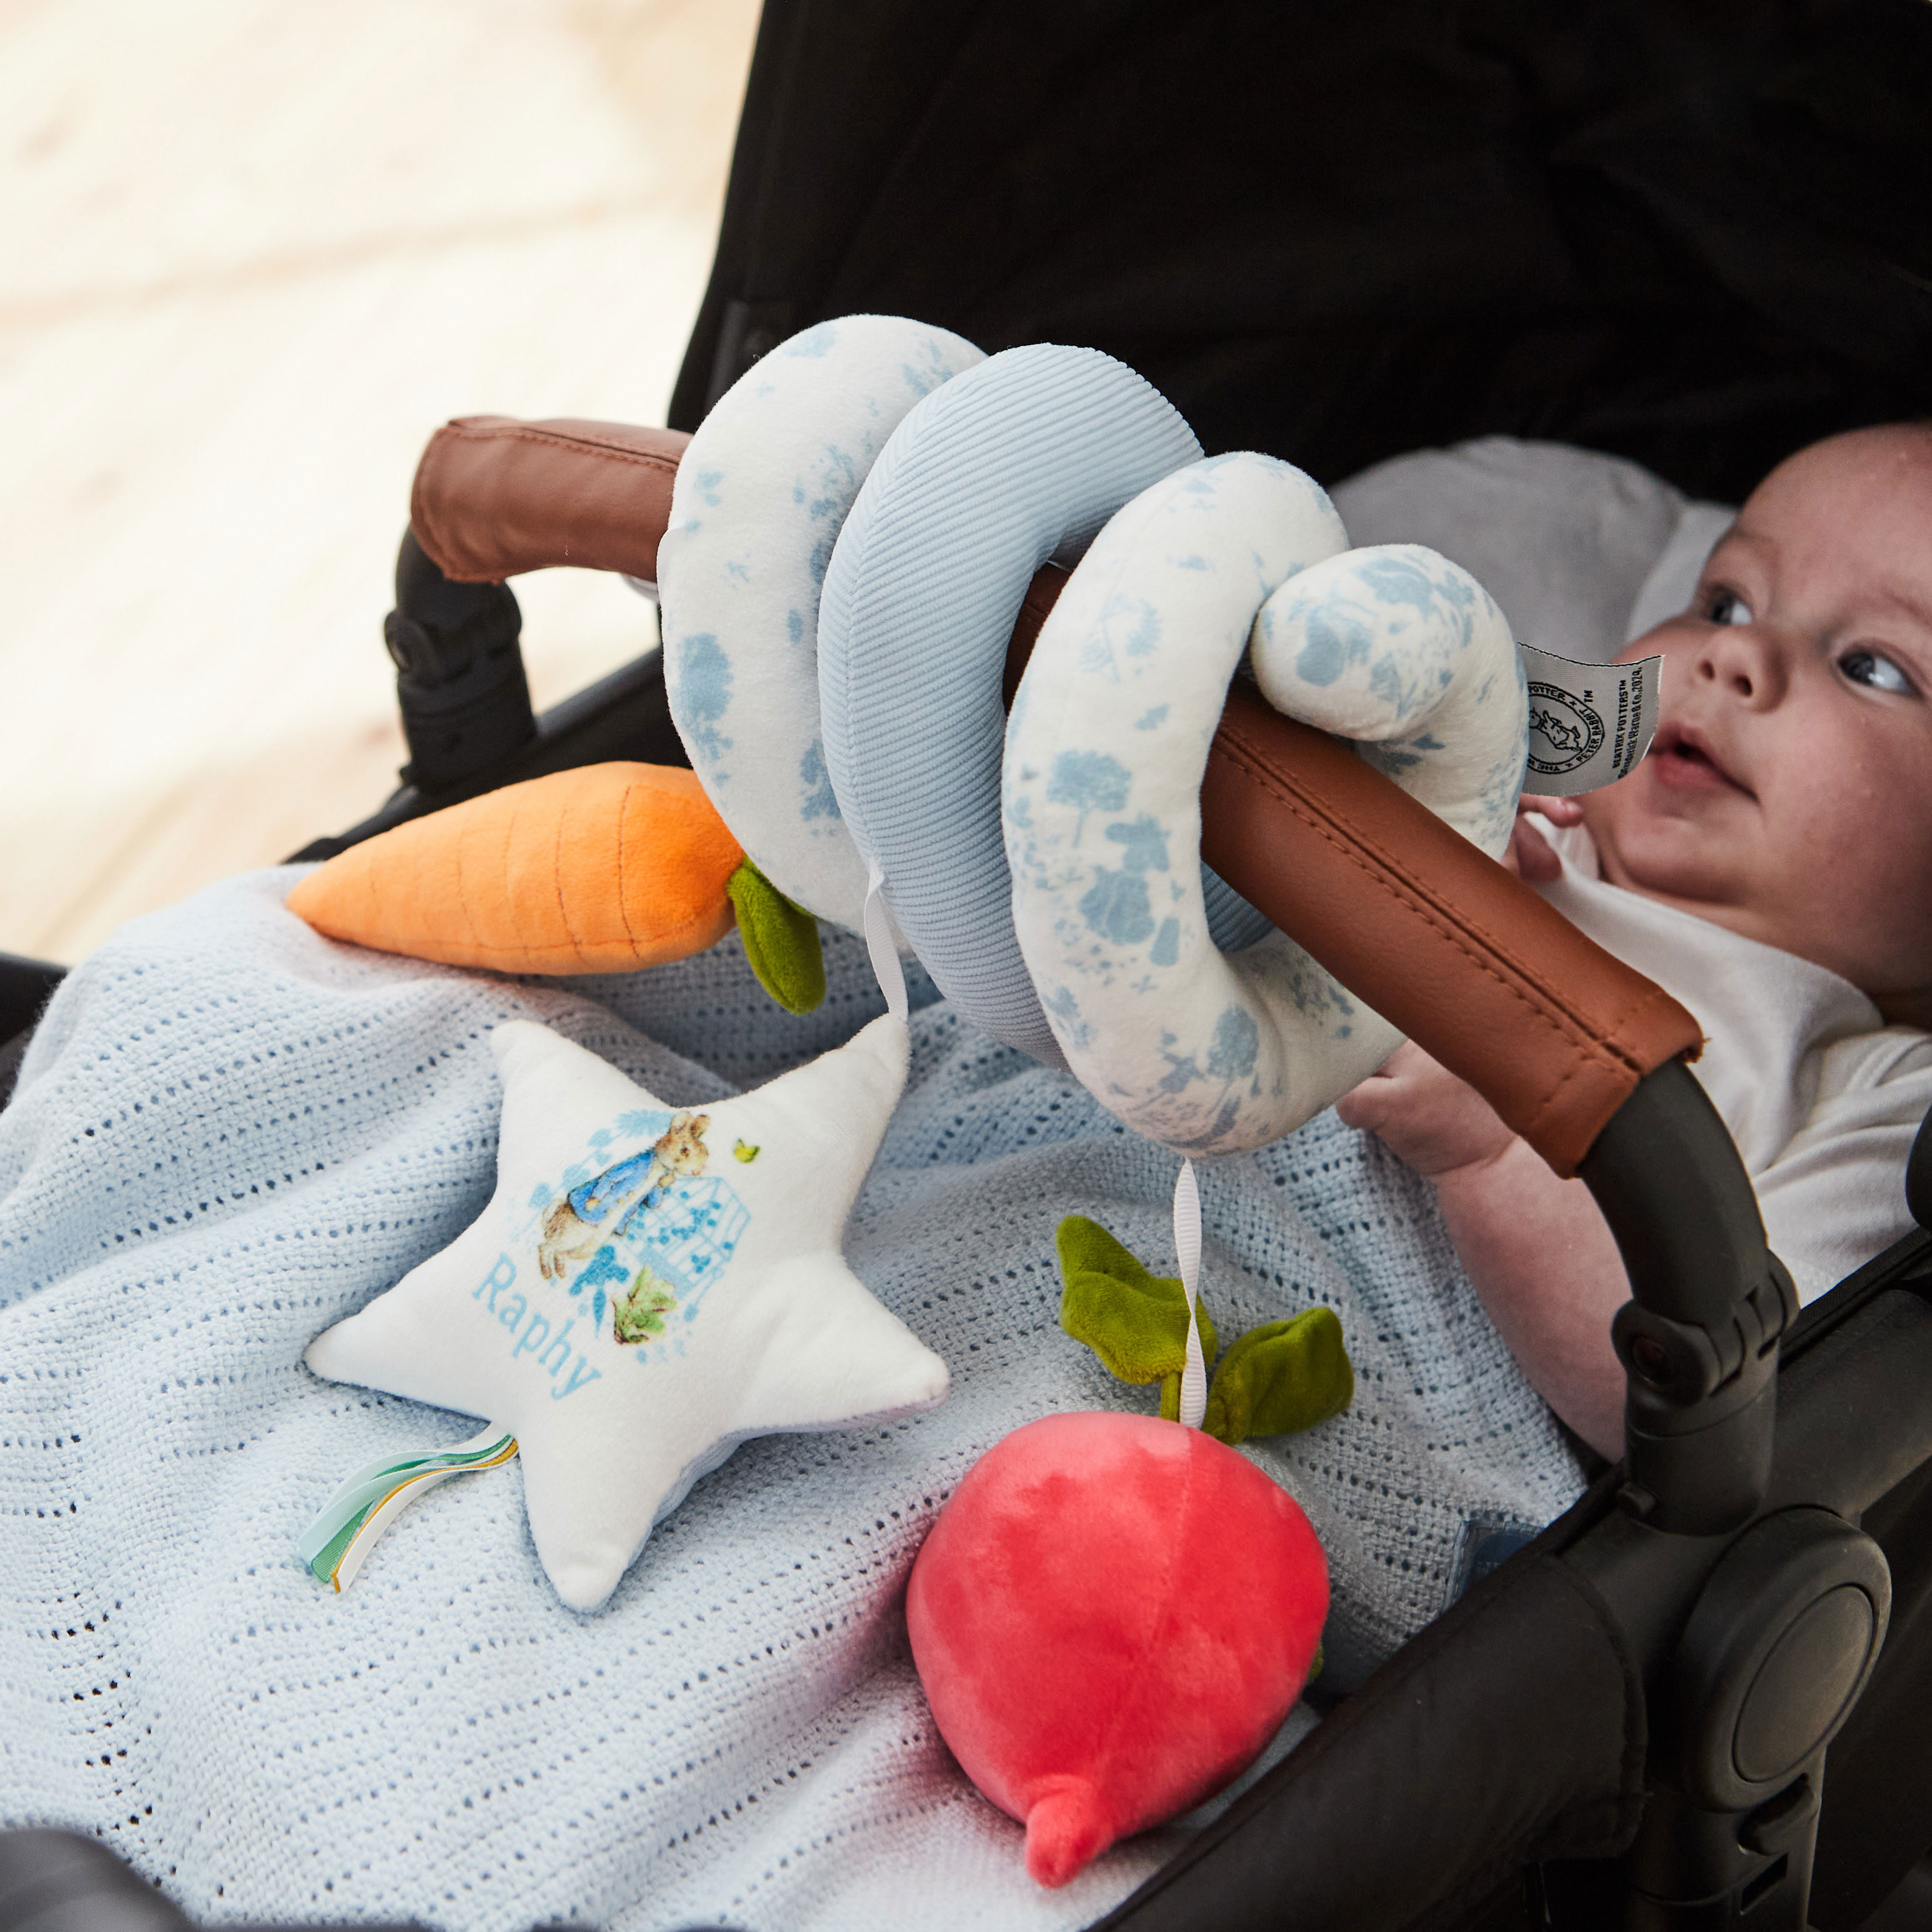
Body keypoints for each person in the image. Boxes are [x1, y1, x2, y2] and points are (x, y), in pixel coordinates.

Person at [1336, 424, 1932, 1458]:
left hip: (1373, 1430)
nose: (1736, 653)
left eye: (1875, 669)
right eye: (1726, 601)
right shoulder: (1504, 819)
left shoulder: (1880, 1096)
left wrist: (1496, 1152)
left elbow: (1745, 1427)